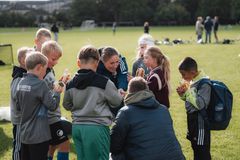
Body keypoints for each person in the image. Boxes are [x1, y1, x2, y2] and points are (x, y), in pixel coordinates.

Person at [63, 45, 123, 160]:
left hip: (77, 128)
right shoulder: (104, 82)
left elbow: (66, 105)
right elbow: (117, 102)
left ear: (78, 62)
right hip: (97, 129)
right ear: (97, 63)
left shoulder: (70, 84)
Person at [110, 77, 185, 160]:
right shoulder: (163, 109)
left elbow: (113, 146)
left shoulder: (125, 112)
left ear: (129, 92)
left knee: (115, 155)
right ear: (147, 90)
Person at [16, 52, 63, 160]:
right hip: (39, 136)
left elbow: (18, 107)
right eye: (45, 69)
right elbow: (52, 105)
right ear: (39, 67)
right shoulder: (40, 84)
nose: (45, 72)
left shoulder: (21, 82)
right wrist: (57, 92)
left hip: (24, 135)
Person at [176, 57, 211, 160]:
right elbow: (191, 101)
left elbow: (200, 104)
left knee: (202, 152)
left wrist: (188, 91)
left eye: (183, 74)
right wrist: (183, 94)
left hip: (200, 124)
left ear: (192, 72)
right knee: (195, 148)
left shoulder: (204, 83)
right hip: (192, 121)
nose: (182, 77)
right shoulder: (193, 81)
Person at [41, 40, 71, 160]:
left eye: (57, 59)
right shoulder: (43, 73)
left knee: (52, 144)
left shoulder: (48, 70)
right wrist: (58, 88)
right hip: (50, 117)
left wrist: (61, 82)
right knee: (64, 143)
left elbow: (50, 87)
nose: (56, 62)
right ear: (43, 56)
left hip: (50, 116)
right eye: (53, 59)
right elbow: (46, 92)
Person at [10, 47, 34, 160]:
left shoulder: (29, 75)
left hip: (28, 120)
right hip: (20, 121)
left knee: (27, 150)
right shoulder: (18, 77)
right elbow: (17, 97)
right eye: (30, 57)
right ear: (22, 60)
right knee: (19, 148)